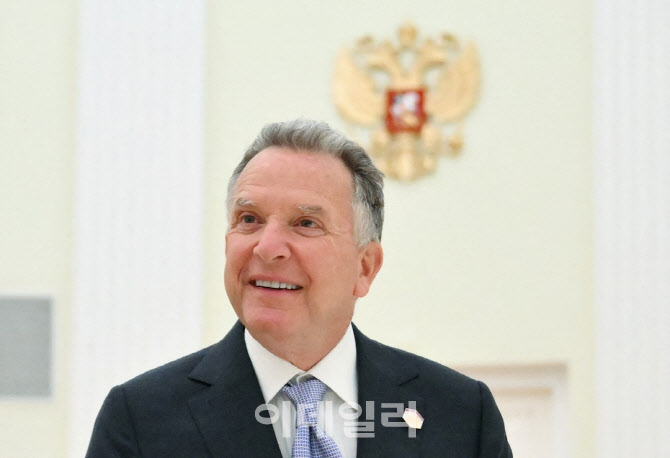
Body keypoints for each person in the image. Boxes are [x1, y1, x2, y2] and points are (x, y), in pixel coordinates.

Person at [86, 119, 512, 457]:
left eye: (306, 223)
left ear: (365, 267)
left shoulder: (459, 413)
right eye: (249, 219)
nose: (267, 247)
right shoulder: (140, 419)